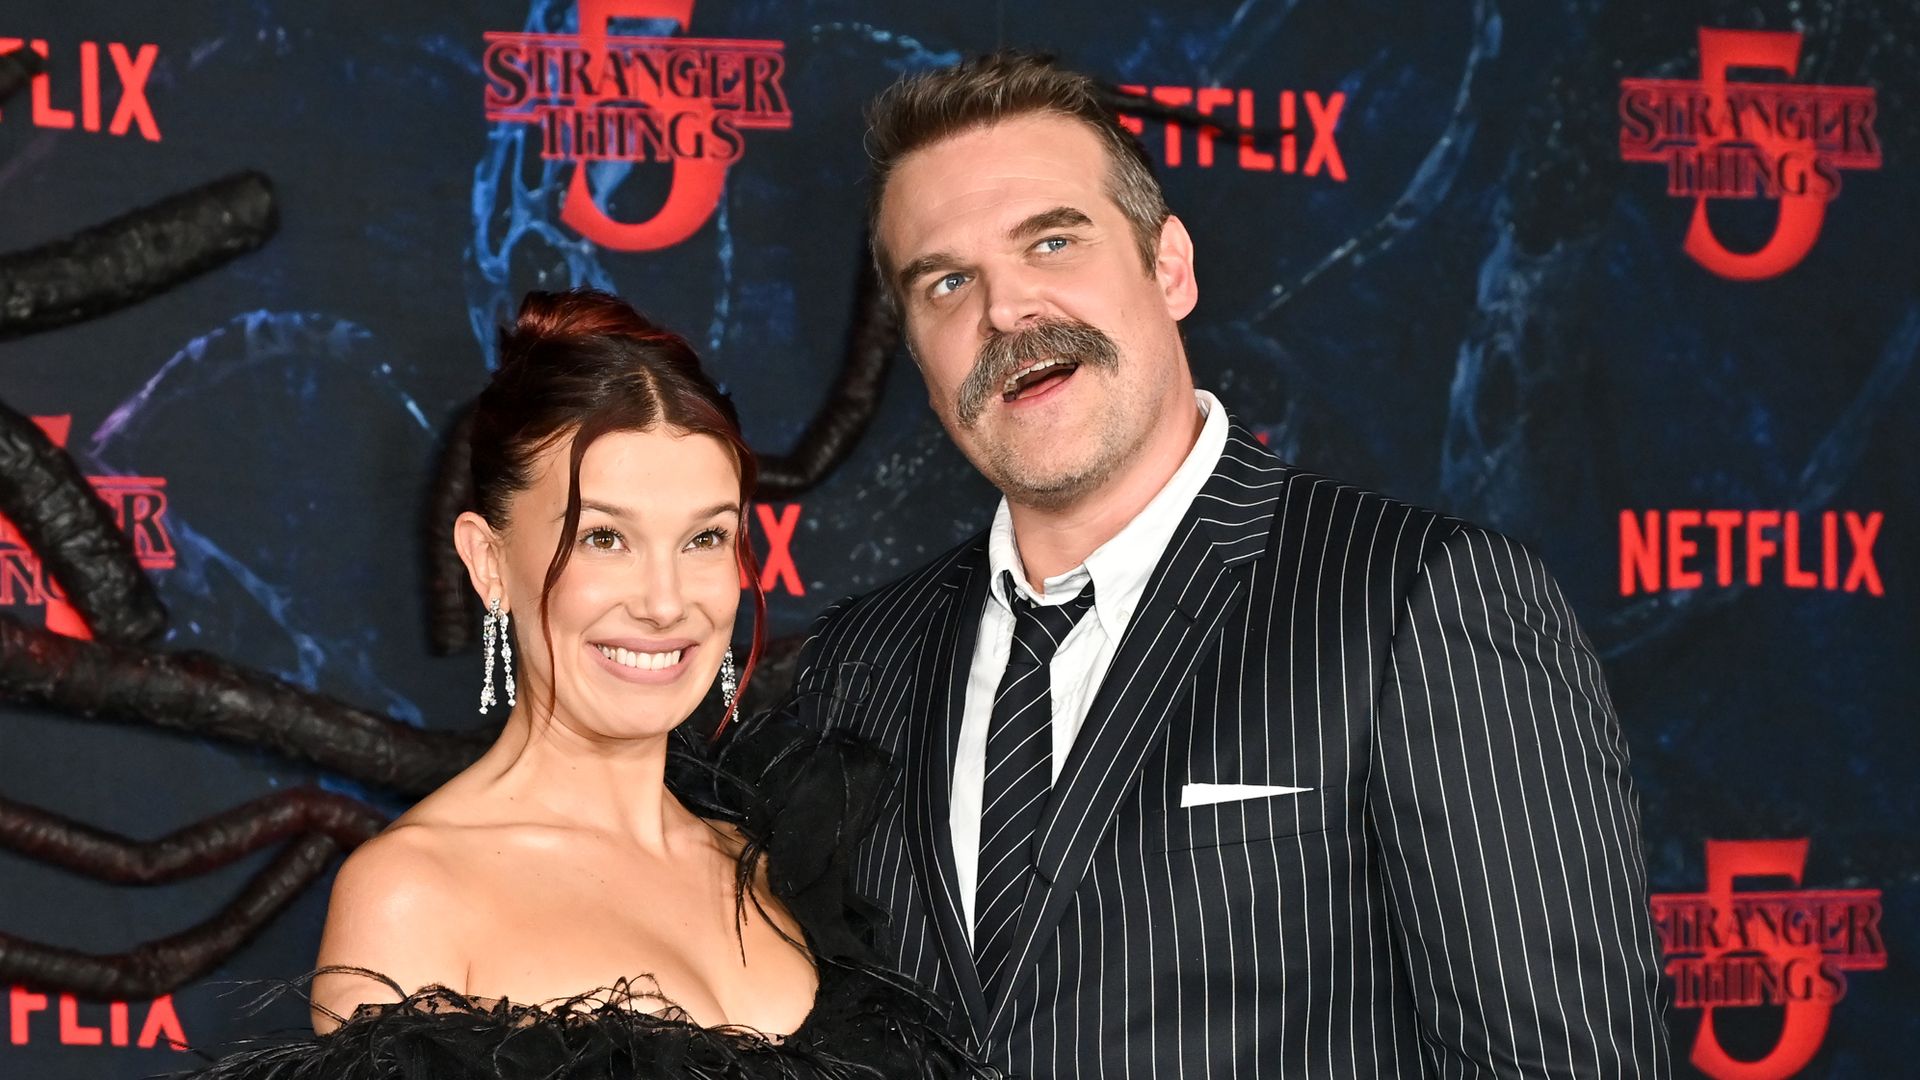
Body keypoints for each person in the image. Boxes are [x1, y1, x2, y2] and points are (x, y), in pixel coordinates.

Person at [787, 52, 1672, 1077]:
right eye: (948, 281)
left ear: (1170, 267)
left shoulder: (1418, 603)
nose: (1006, 312)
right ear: (917, 350)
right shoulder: (857, 663)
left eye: (1055, 241)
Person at [189, 289, 992, 1079]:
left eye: (705, 538)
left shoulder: (783, 861)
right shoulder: (414, 893)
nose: (666, 601)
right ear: (487, 561)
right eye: (604, 537)